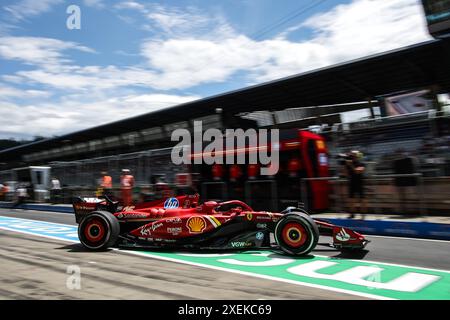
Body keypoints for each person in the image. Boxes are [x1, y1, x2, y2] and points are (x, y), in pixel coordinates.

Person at [393, 149, 419, 215]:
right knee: (409, 197)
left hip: (401, 181)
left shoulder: (396, 161)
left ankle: (404, 210)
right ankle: (410, 210)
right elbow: (416, 166)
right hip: (407, 181)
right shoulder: (412, 159)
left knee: (404, 197)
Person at [345, 150, 367, 219]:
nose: (352, 157)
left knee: (362, 199)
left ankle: (363, 215)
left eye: (353, 155)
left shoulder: (361, 163)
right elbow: (345, 174)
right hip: (351, 183)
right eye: (351, 156)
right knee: (351, 199)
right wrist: (346, 166)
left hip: (359, 182)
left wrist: (351, 165)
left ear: (357, 156)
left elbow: (358, 171)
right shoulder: (349, 164)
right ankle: (352, 214)